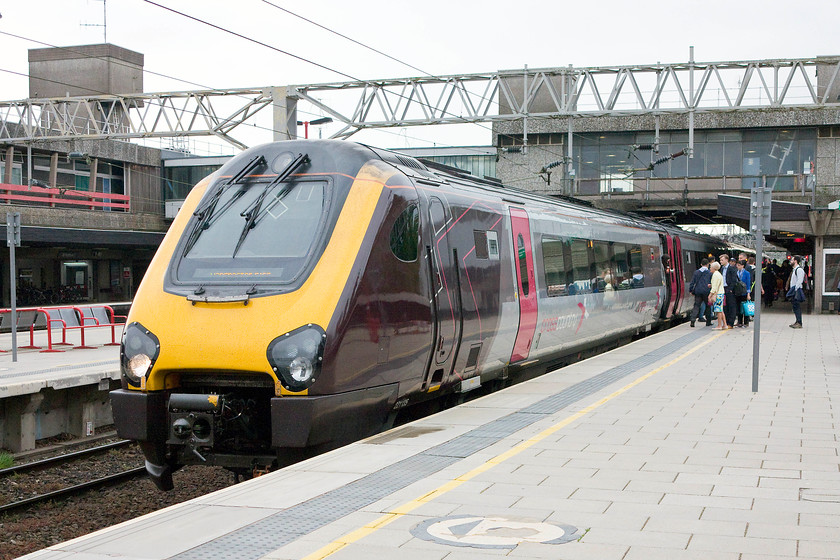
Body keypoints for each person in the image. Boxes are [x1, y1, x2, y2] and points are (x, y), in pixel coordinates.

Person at [688, 258, 712, 327]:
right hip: (706, 291)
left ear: (701, 264)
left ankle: (692, 320)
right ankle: (708, 321)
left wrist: (691, 290)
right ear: (708, 265)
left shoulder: (696, 272)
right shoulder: (709, 273)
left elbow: (692, 282)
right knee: (708, 306)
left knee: (696, 306)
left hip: (698, 291)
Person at [719, 254, 738, 329]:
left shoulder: (732, 269)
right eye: (720, 260)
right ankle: (725, 322)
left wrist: (730, 289)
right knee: (725, 306)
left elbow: (734, 280)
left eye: (722, 260)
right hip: (723, 289)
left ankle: (731, 323)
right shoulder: (722, 269)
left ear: (727, 260)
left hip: (729, 289)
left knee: (731, 306)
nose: (721, 261)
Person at [788, 255, 806, 329]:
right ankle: (797, 321)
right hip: (794, 289)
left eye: (792, 260)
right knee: (795, 306)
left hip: (796, 290)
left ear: (795, 261)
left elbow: (799, 280)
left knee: (797, 306)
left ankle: (799, 322)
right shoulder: (795, 269)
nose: (791, 261)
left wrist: (795, 289)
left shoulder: (799, 270)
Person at [709, 261, 727, 330]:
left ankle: (719, 325)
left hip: (718, 294)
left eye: (711, 267)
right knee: (721, 310)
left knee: (718, 310)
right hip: (721, 293)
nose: (710, 268)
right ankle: (724, 324)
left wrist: (710, 295)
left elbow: (714, 288)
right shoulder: (719, 274)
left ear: (714, 268)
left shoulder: (715, 275)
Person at [735, 260, 751, 327]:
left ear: (742, 266)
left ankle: (746, 322)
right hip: (738, 292)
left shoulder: (747, 273)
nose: (738, 267)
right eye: (737, 265)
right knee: (738, 308)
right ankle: (739, 321)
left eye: (739, 265)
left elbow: (748, 283)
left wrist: (748, 294)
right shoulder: (736, 273)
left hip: (744, 292)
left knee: (745, 308)